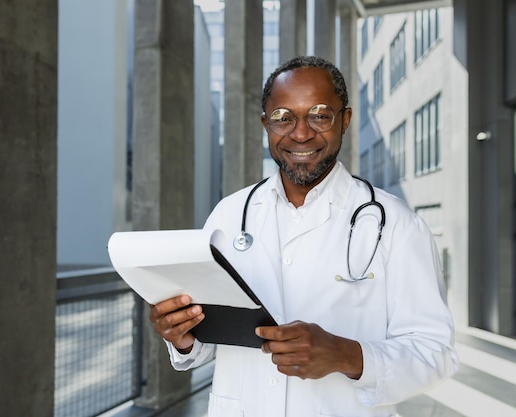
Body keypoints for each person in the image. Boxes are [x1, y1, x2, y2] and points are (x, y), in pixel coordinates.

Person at [149, 55, 458, 417]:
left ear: (344, 120)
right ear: (266, 124)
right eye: (283, 117)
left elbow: (435, 352)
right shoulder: (228, 216)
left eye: (319, 115)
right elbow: (210, 343)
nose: (300, 133)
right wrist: (182, 336)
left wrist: (346, 354)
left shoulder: (397, 224)